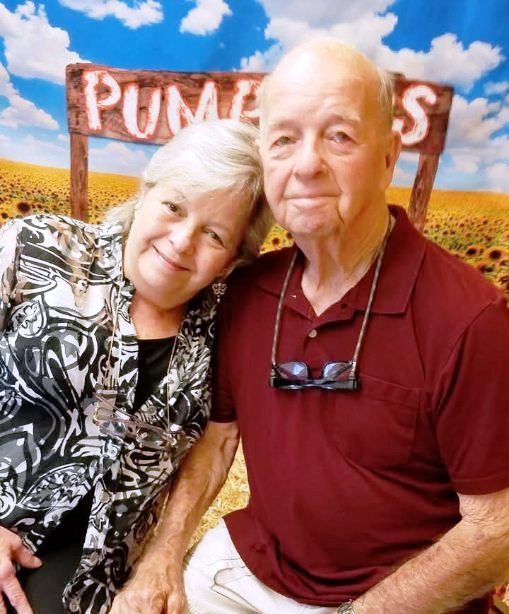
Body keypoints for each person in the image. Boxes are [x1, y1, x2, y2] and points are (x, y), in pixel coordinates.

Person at [111, 40, 509, 614]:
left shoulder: (470, 320)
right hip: (250, 573)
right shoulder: (247, 292)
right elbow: (218, 442)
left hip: (395, 601)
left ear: (388, 157)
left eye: (339, 137)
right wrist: (162, 557)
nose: (306, 165)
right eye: (284, 139)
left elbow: (496, 528)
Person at [0, 118, 272, 614]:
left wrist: (164, 557)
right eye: (174, 206)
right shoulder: (33, 249)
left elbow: (215, 443)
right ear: (145, 192)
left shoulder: (229, 330)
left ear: (233, 261)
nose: (182, 241)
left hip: (97, 574)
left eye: (214, 234)